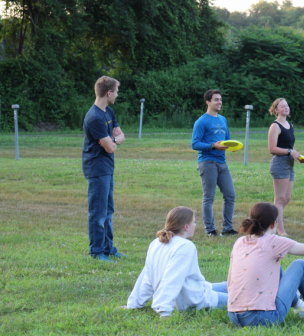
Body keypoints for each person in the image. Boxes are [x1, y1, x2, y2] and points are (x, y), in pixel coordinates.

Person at [124, 207, 228, 316]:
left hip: (194, 290)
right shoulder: (185, 246)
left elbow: (147, 277)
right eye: (194, 222)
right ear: (186, 226)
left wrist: (133, 304)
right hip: (192, 300)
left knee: (229, 286)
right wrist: (164, 311)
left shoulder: (156, 243)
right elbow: (172, 279)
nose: (195, 225)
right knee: (243, 302)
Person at [82, 76, 125, 262]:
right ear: (109, 93)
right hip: (97, 169)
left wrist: (114, 140)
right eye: (116, 91)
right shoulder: (94, 117)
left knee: (108, 211)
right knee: (98, 213)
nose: (117, 94)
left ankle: (108, 249)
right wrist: (114, 140)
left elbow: (121, 136)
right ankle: (96, 252)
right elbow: (111, 147)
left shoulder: (109, 112)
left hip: (107, 167)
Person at [191, 89, 237, 237]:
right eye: (216, 99)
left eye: (220, 99)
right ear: (208, 102)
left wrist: (232, 147)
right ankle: (210, 230)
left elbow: (227, 139)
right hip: (207, 162)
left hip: (222, 163)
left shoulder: (223, 120)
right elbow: (195, 144)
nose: (220, 102)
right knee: (209, 196)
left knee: (230, 195)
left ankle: (227, 229)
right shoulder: (201, 121)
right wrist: (212, 146)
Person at [267, 98, 304, 236]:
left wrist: (298, 156)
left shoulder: (290, 125)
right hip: (279, 164)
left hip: (289, 163)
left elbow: (289, 146)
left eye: (287, 105)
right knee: (280, 199)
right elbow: (272, 148)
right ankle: (280, 230)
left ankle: (269, 220)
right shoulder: (275, 126)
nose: (286, 108)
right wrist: (290, 151)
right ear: (276, 110)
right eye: (283, 106)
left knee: (286, 198)